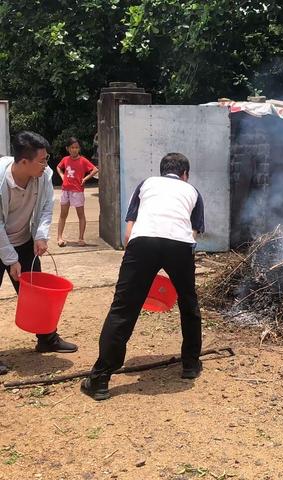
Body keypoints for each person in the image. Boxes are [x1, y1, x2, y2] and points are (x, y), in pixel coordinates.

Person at [81, 152, 205, 400]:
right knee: (188, 303)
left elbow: (129, 231)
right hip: (179, 246)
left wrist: (136, 263)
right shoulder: (192, 191)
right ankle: (190, 364)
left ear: (162, 172)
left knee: (123, 308)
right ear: (185, 175)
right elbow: (193, 235)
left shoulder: (146, 184)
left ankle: (100, 378)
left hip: (142, 242)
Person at [0, 131, 78, 375]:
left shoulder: (42, 175)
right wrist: (11, 259)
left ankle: (47, 338)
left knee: (36, 291)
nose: (47, 164)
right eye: (42, 160)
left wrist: (41, 236)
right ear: (24, 161)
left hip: (23, 240)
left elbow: (46, 207)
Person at [56, 137, 98, 247]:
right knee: (63, 214)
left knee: (81, 215)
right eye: (72, 148)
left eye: (76, 147)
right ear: (67, 148)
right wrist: (62, 176)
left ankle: (81, 238)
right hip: (66, 190)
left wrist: (85, 179)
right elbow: (58, 167)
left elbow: (94, 169)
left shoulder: (83, 160)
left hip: (77, 191)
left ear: (79, 149)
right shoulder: (65, 159)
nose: (74, 150)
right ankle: (59, 237)